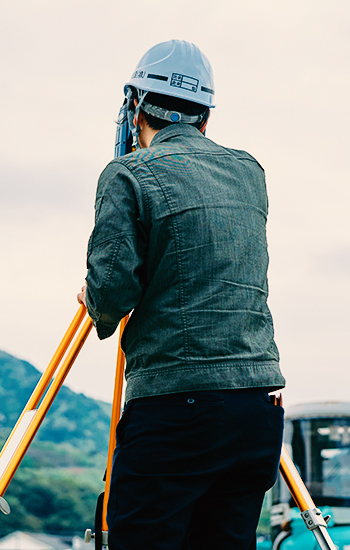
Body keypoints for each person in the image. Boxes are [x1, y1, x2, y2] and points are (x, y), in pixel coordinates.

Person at [78, 39, 285, 550]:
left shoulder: (127, 175)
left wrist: (92, 293)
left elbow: (110, 296)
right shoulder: (249, 172)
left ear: (134, 107)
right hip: (255, 410)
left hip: (175, 409)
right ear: (204, 117)